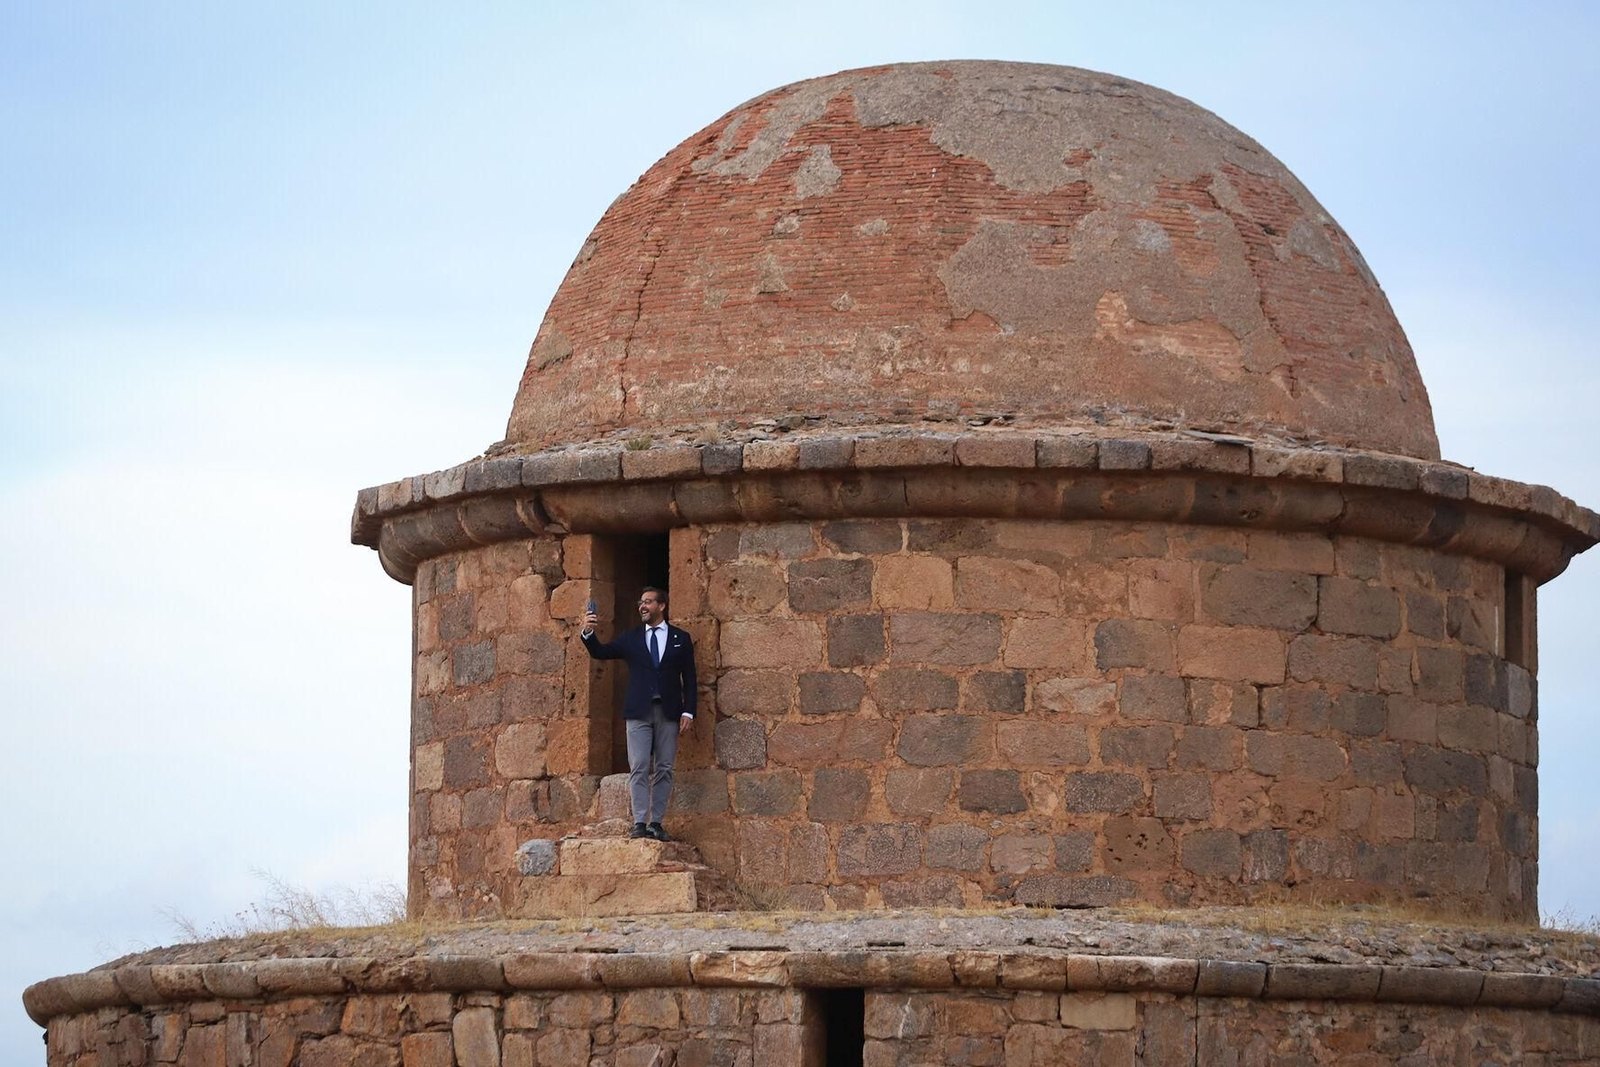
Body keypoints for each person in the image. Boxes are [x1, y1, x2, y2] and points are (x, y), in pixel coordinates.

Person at [580, 586, 696, 841]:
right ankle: (640, 822)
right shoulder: (631, 637)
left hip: (669, 711)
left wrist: (689, 711)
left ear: (662, 606)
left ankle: (656, 822)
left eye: (648, 602)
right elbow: (602, 652)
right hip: (638, 711)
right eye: (641, 602)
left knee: (664, 767)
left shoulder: (680, 638)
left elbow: (689, 677)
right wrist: (588, 633)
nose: (642, 606)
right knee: (640, 766)